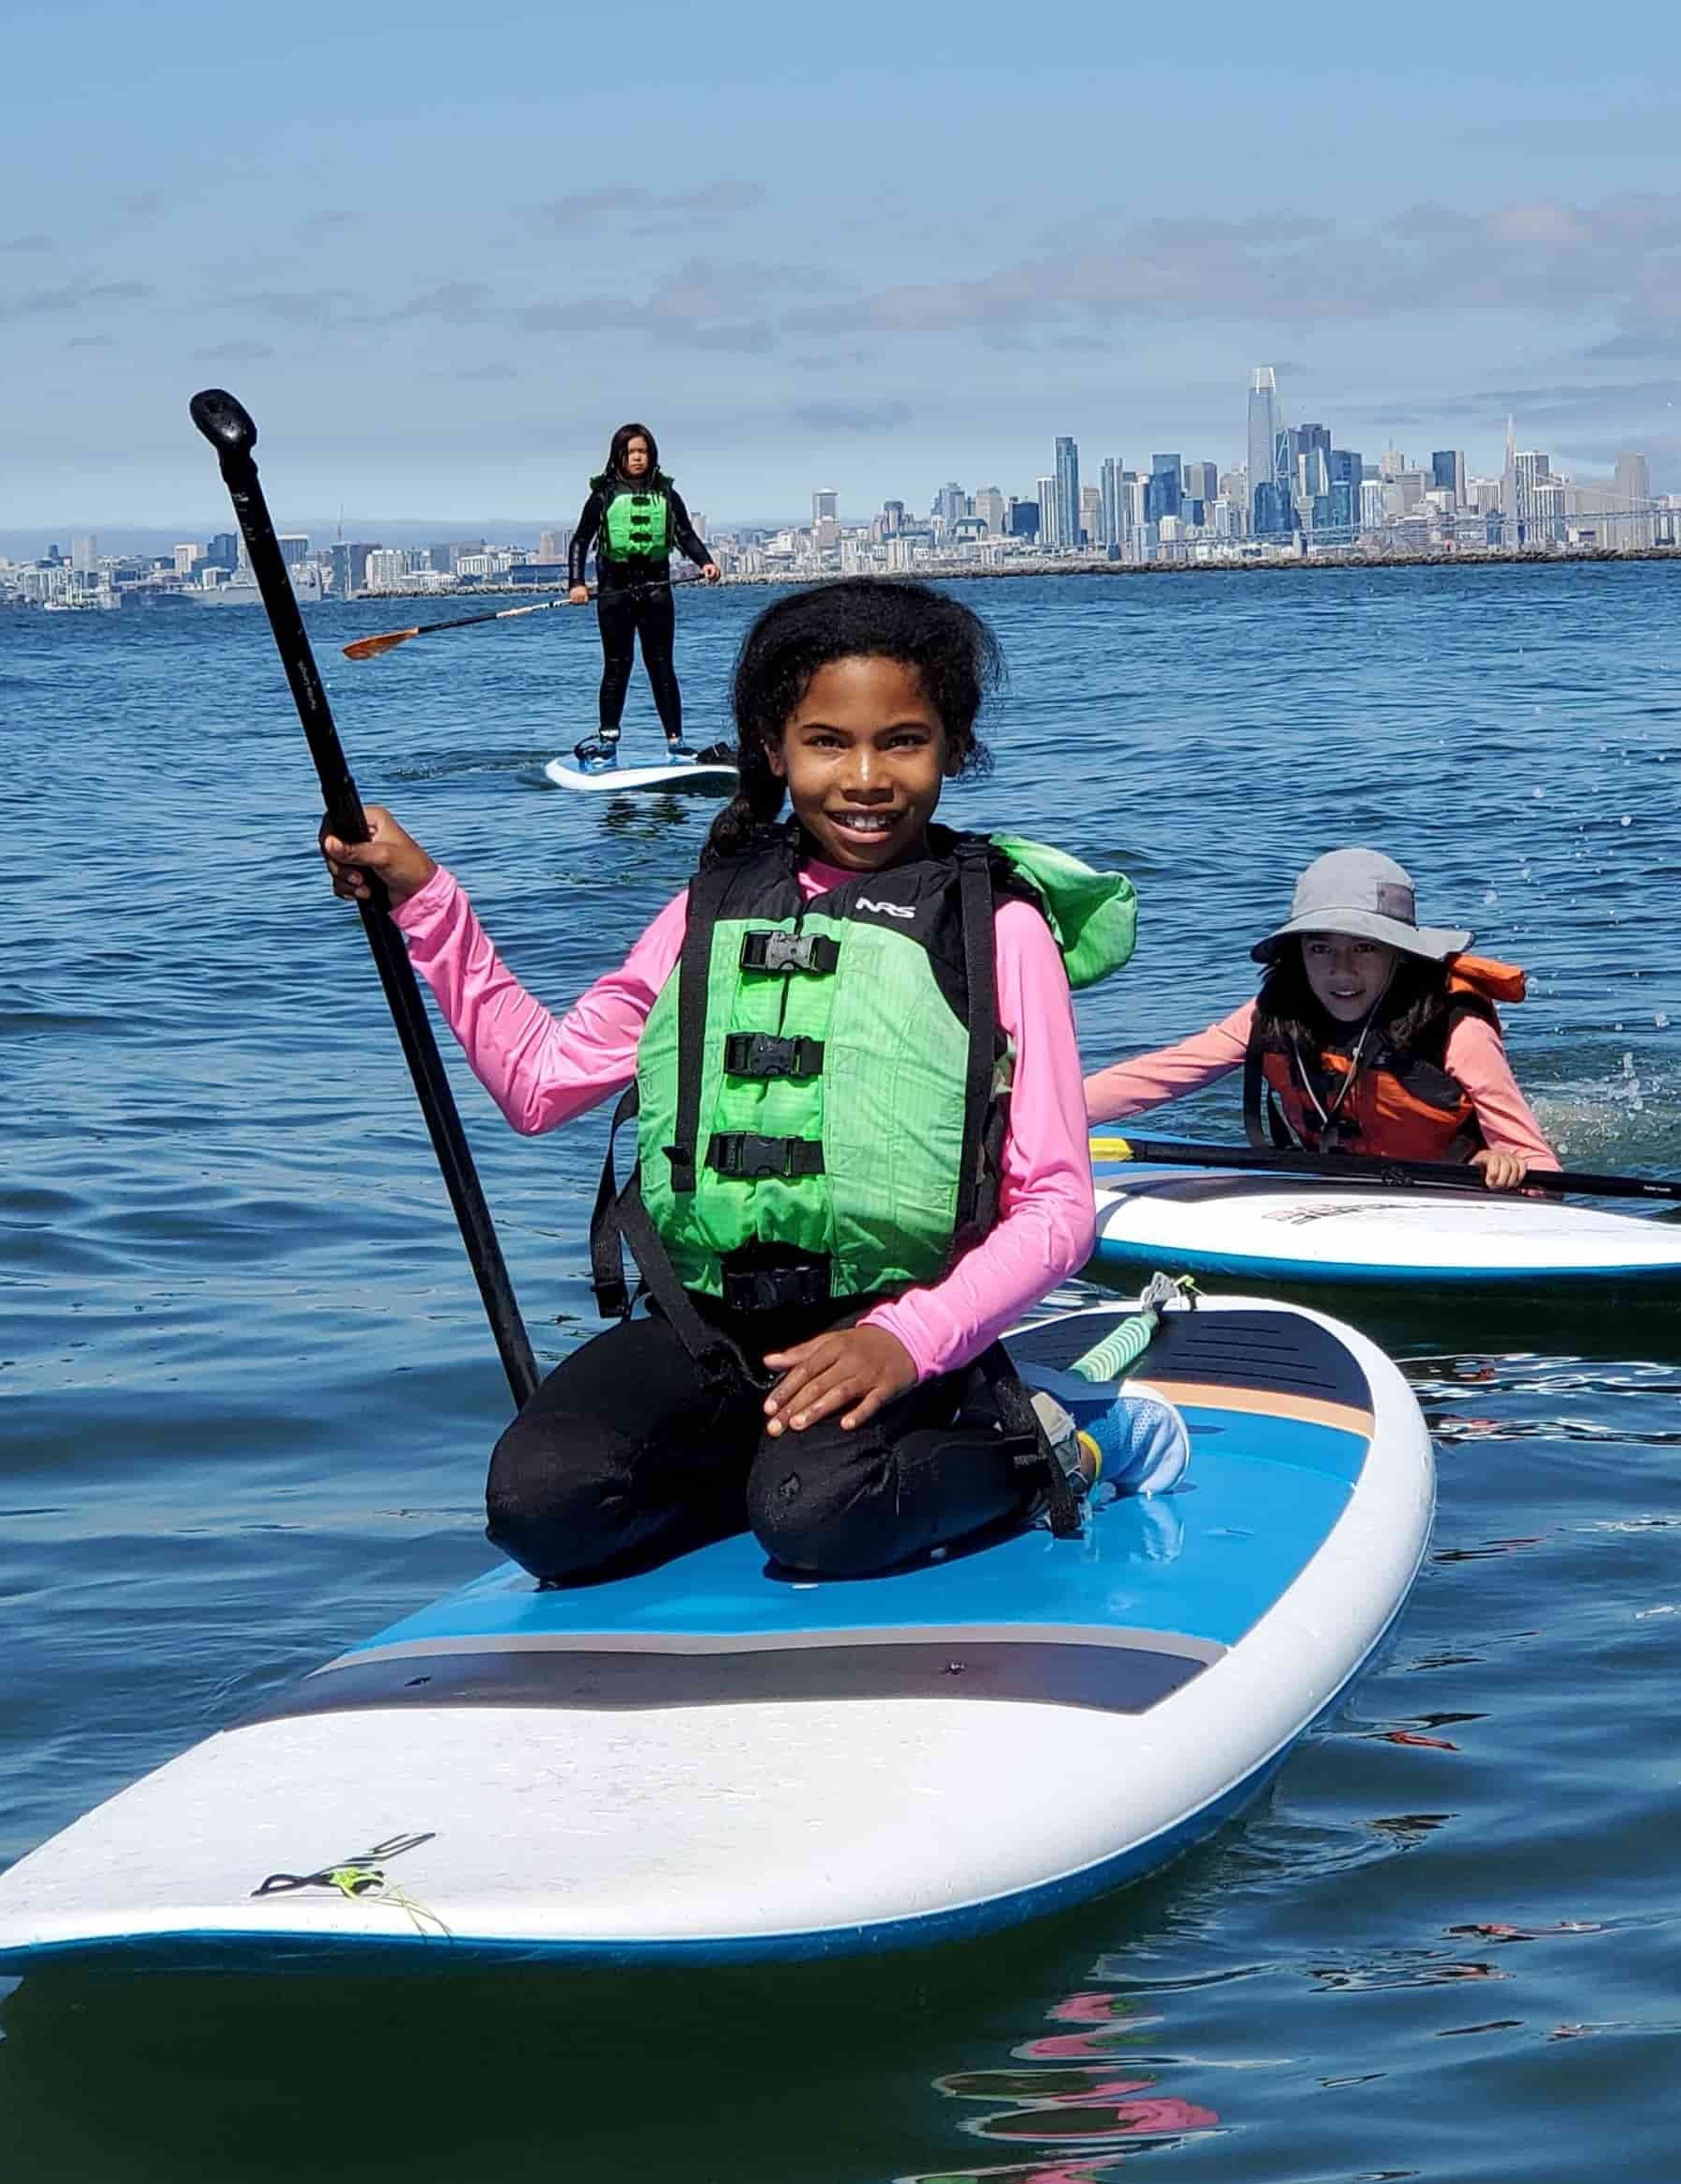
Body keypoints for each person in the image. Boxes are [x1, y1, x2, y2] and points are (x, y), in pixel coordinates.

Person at [321, 579, 1178, 1589]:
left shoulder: (998, 928)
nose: (865, 777)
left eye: (902, 740)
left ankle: (1067, 1436)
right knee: (541, 1509)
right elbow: (541, 1085)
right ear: (773, 748)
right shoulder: (710, 909)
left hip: (899, 1322)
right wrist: (427, 901)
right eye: (827, 741)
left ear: (952, 746)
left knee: (821, 1518)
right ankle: (769, 1466)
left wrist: (906, 1341)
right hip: (707, 1328)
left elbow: (1057, 1209)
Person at [1084, 847, 1558, 1189]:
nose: (1342, 971)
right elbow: (1153, 1078)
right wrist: (1035, 1118)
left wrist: (1506, 1170)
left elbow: (1544, 1172)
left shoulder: (1457, 1029)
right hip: (1329, 1183)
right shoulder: (1271, 1014)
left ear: (1401, 955)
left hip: (1447, 1187)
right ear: (1297, 954)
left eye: (1365, 948)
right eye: (1320, 948)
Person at [566, 422, 723, 769]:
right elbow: (580, 540)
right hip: (615, 592)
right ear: (619, 456)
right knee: (617, 666)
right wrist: (576, 583)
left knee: (662, 666)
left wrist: (706, 562)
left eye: (643, 452)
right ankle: (607, 745)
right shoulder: (603, 495)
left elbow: (685, 534)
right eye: (631, 452)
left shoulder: (667, 495)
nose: (638, 458)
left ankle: (676, 744)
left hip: (656, 591)